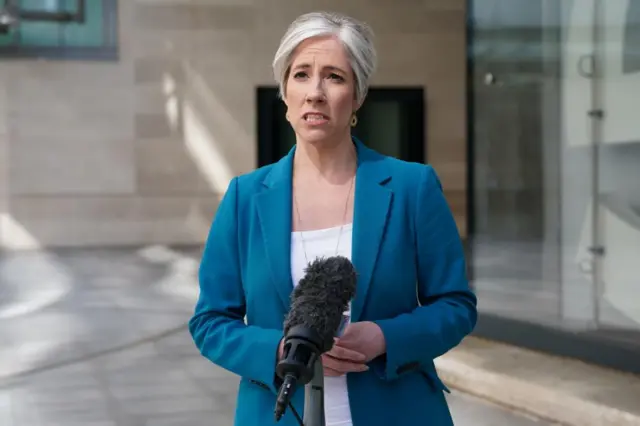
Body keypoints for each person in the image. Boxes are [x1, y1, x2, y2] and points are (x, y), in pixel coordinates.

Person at [189, 11, 477, 426]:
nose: (315, 93)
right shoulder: (244, 198)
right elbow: (210, 321)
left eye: (334, 77)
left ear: (358, 95)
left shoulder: (413, 187)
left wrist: (384, 337)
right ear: (284, 92)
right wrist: (279, 350)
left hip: (399, 412)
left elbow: (455, 305)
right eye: (301, 75)